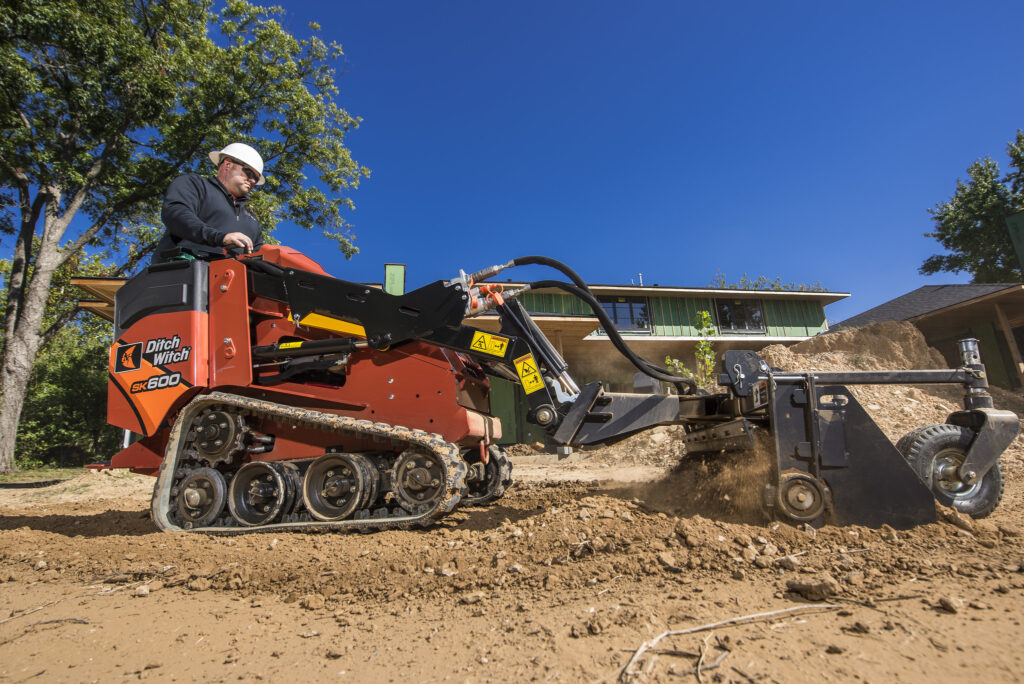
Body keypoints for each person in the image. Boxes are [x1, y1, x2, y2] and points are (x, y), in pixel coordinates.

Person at [152, 142, 267, 263]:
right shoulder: (196, 185)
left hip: (229, 278)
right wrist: (220, 237)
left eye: (256, 178)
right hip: (182, 272)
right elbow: (176, 214)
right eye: (248, 173)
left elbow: (259, 255)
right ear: (228, 164)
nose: (253, 180)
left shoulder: (251, 222)